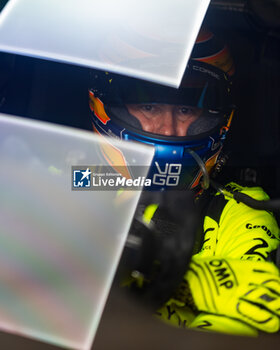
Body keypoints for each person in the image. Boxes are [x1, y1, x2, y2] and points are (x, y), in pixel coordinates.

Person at [88, 28, 280, 336]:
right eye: (149, 106)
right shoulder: (77, 180)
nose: (169, 129)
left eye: (187, 108)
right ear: (105, 106)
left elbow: (249, 317)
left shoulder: (239, 211)